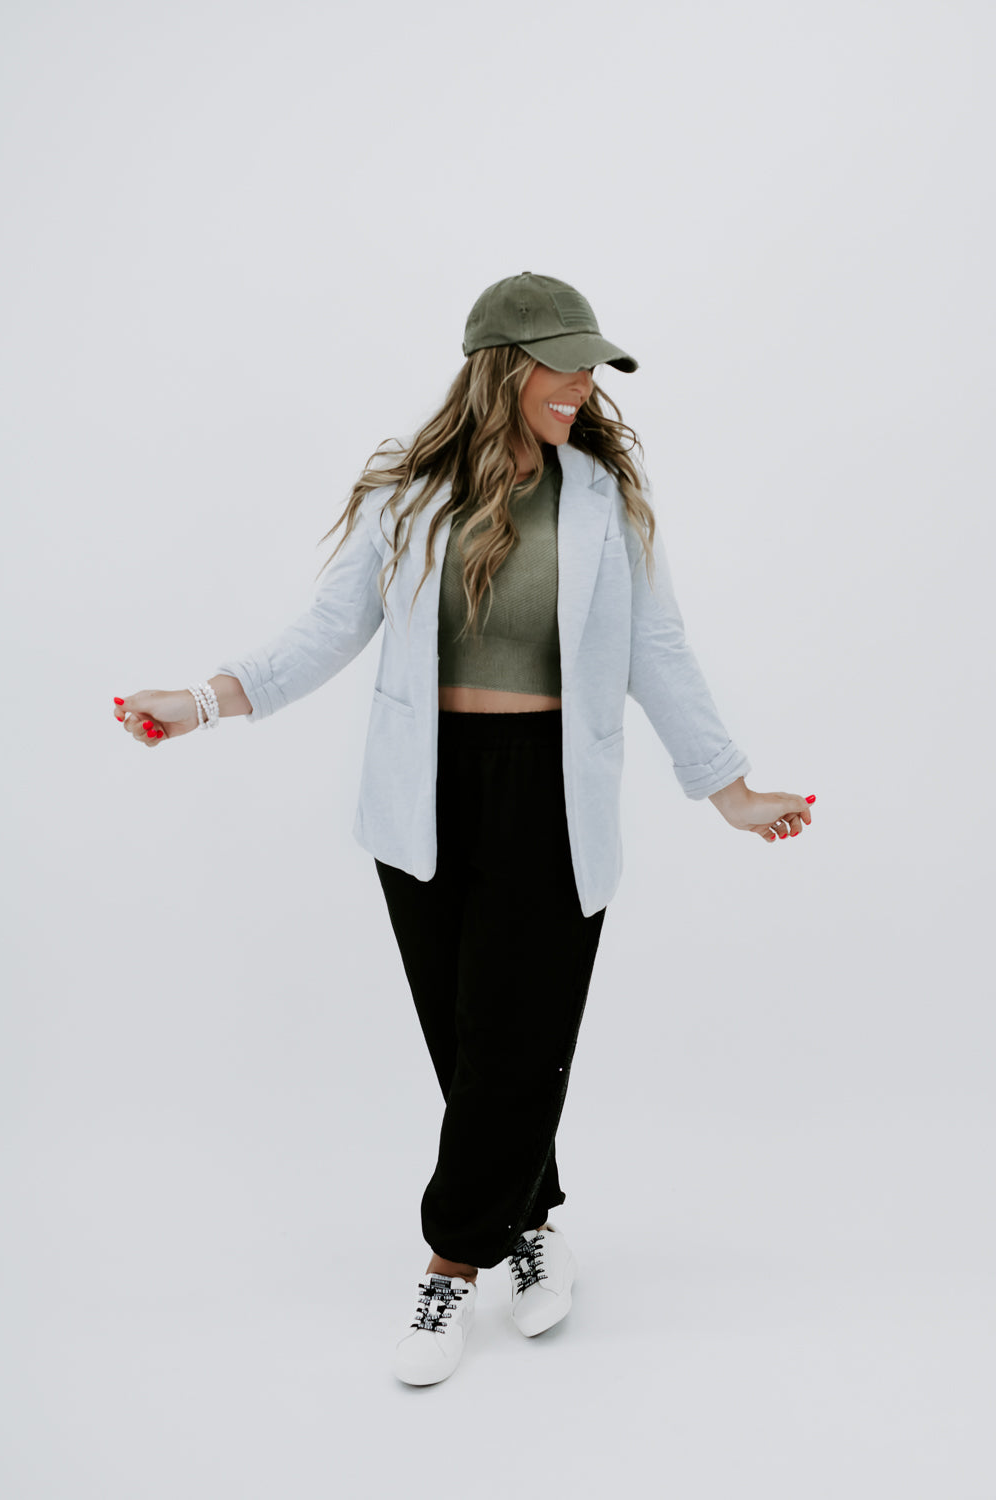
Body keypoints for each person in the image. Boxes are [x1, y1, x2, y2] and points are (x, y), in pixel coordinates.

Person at [111, 271, 816, 1388]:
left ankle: (450, 1263)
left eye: (593, 369)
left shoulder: (603, 498)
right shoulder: (409, 492)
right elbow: (326, 629)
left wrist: (727, 788)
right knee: (471, 1045)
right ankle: (530, 1221)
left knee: (515, 1044)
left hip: (552, 794)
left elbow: (658, 647)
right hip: (423, 794)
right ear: (502, 368)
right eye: (565, 365)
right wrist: (202, 701)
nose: (584, 387)